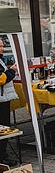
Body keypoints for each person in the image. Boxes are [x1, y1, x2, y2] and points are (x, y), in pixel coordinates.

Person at [0, 37, 19, 165]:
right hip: (1, 100)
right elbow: (1, 79)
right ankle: (2, 157)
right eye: (0, 46)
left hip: (3, 98)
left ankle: (3, 155)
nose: (2, 48)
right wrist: (12, 70)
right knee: (3, 128)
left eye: (2, 46)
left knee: (4, 128)